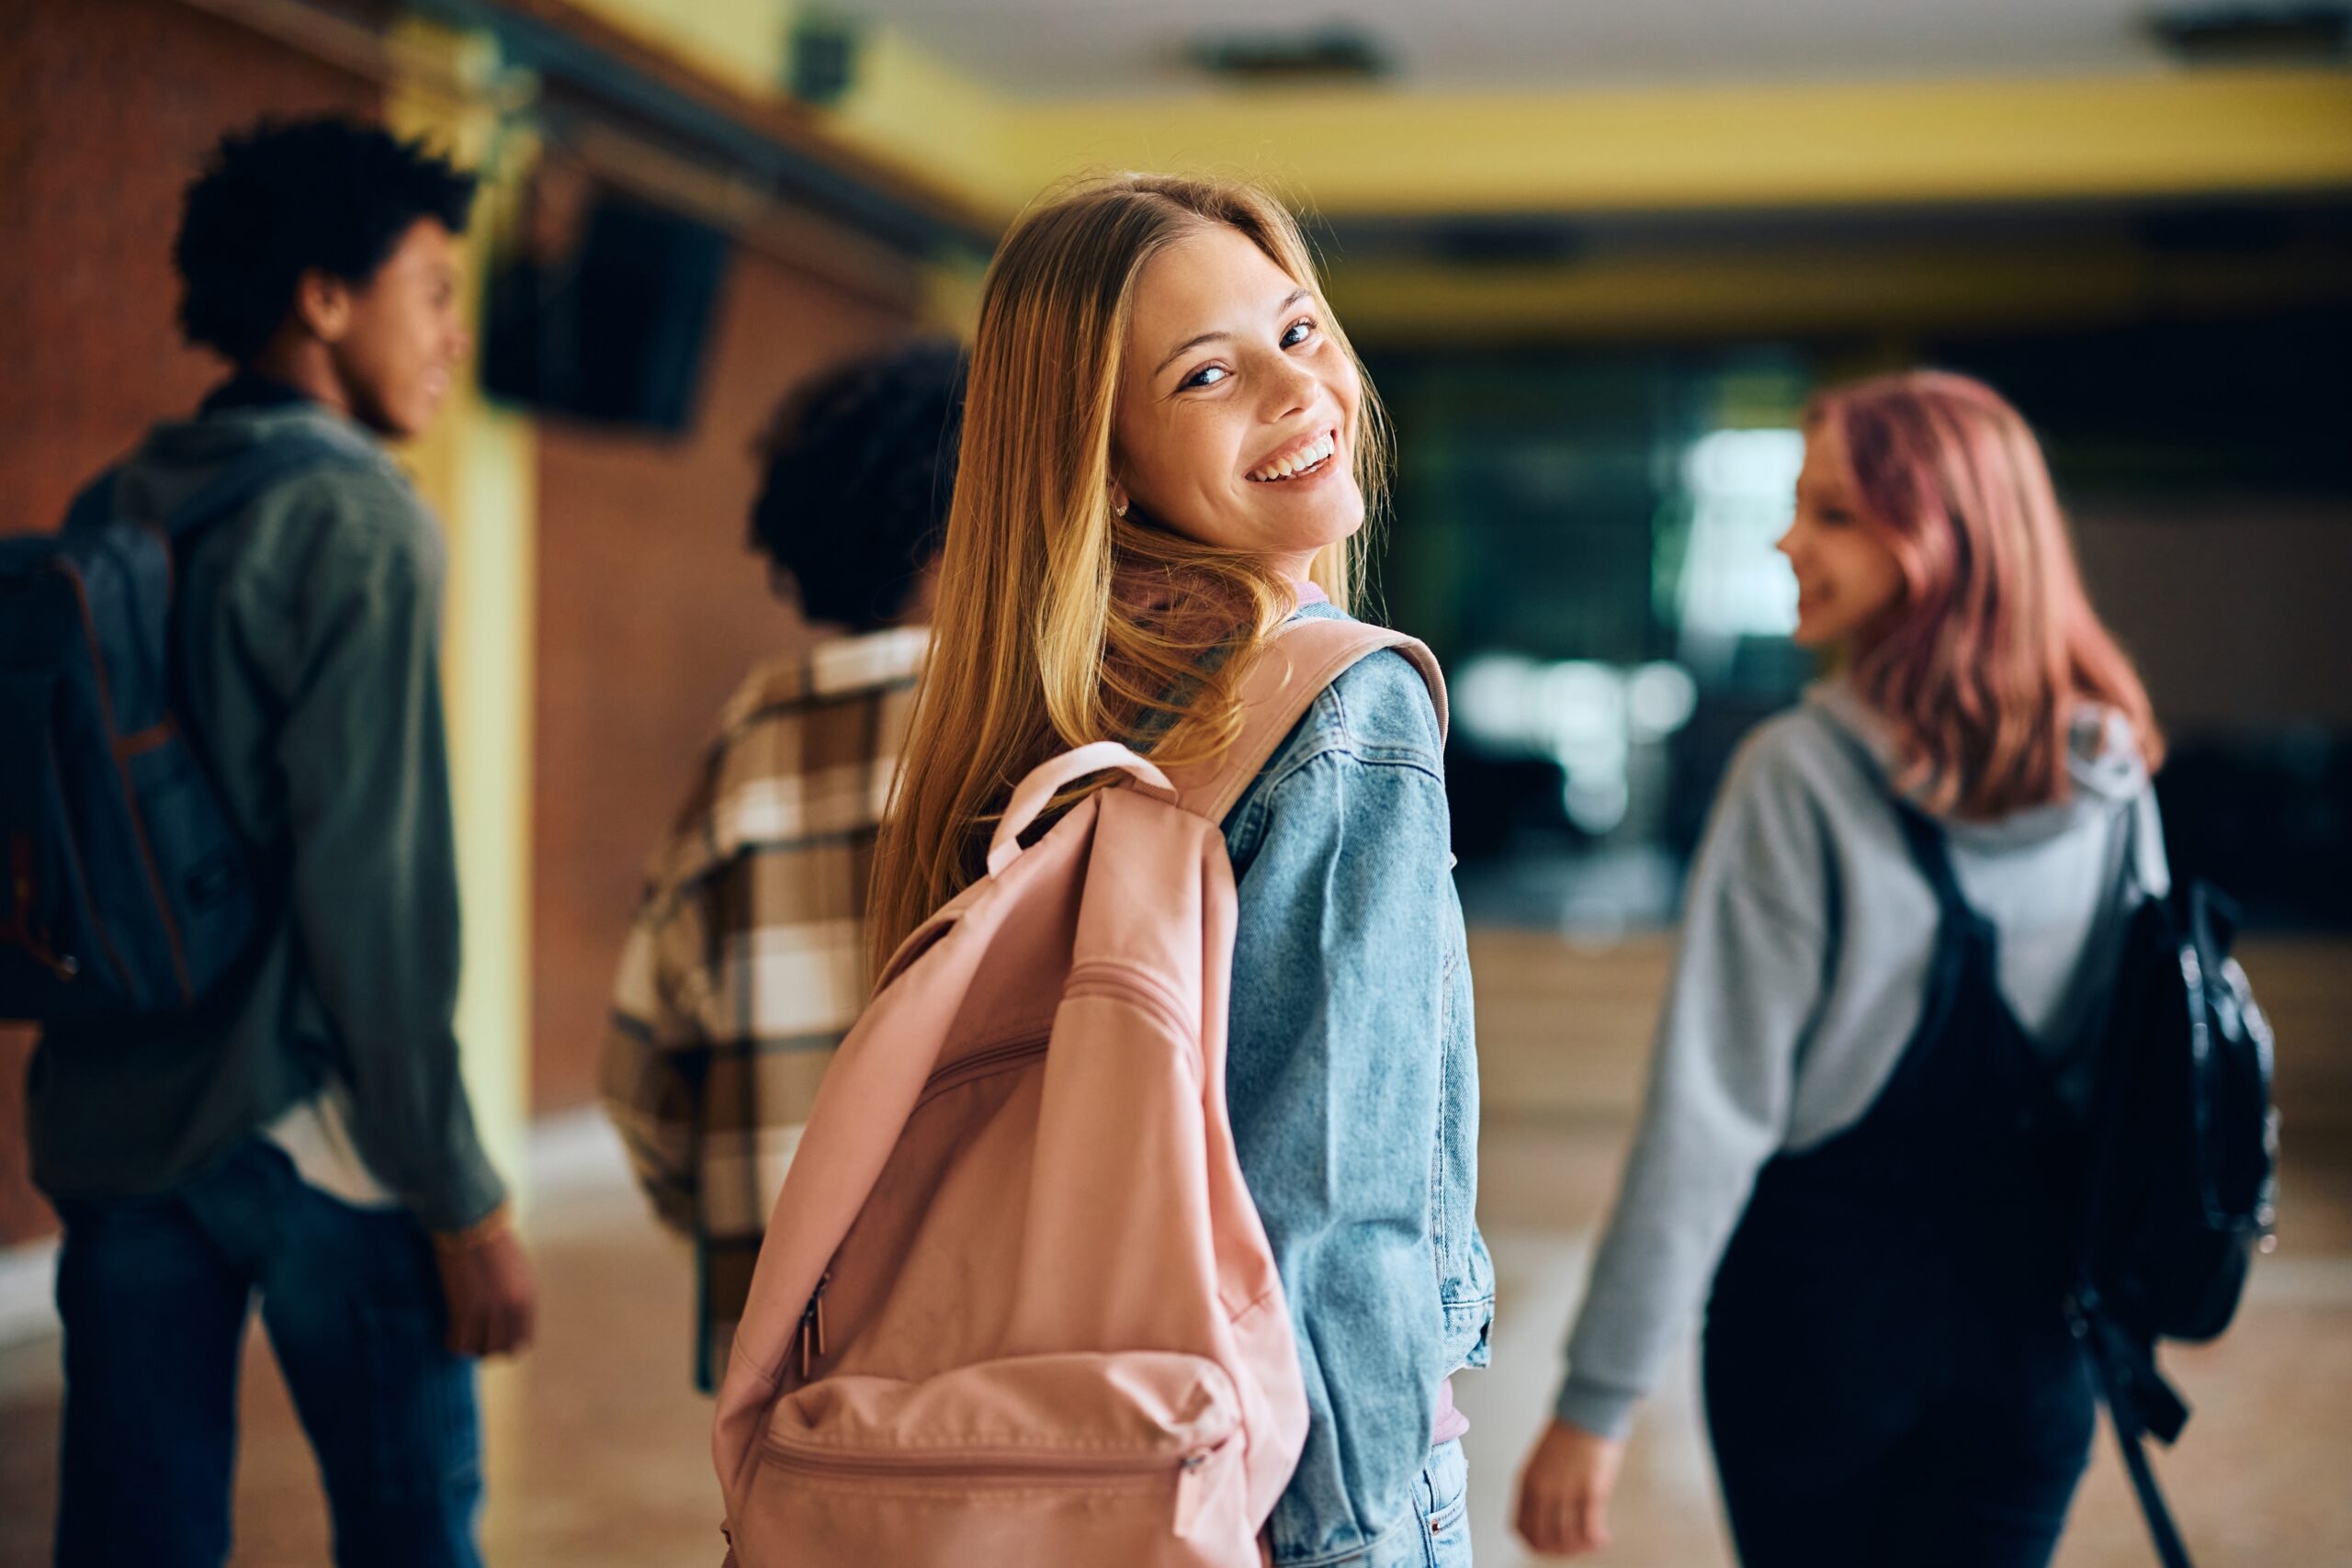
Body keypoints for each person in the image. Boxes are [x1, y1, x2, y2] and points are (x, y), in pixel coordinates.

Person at [864, 174, 1493, 1568]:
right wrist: (1354, 1529)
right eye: (1208, 371)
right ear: (1106, 455)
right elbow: (1333, 1208)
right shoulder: (1339, 701)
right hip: (1287, 1482)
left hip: (1065, 1448)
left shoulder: (1041, 708)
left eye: (1300, 329)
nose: (1295, 386)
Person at [1512, 370, 2168, 1567]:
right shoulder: (2111, 760)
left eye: (1833, 514)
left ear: (1939, 540)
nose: (1786, 538)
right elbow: (2145, 1062)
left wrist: (1594, 1400)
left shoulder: (1799, 771)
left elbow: (1708, 1117)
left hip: (1821, 1326)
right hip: (2038, 1334)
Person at [28, 117, 534, 1568]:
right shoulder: (361, 521)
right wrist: (463, 1193)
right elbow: (373, 899)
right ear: (324, 297)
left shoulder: (113, 497)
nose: (453, 334)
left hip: (113, 1114)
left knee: (134, 1538)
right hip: (313, 1135)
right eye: (433, 288)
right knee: (407, 1530)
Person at [600, 340, 965, 1392]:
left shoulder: (752, 742)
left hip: (788, 1352)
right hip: (1016, 1346)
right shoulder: (1059, 727)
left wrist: (737, 1221)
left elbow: (643, 1067)